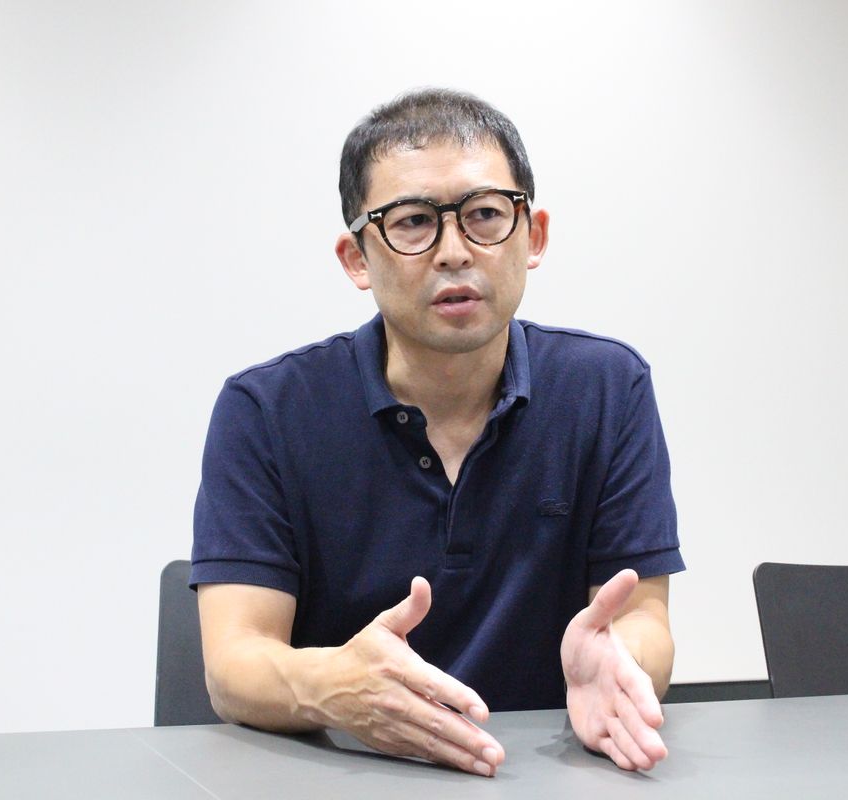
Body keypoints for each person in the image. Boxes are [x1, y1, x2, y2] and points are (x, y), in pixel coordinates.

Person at [191, 88, 683, 778]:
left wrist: (622, 663)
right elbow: (233, 662)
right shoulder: (266, 410)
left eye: (485, 215)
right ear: (356, 258)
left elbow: (645, 620)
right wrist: (337, 686)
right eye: (414, 222)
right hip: (342, 775)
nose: (455, 252)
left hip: (549, 772)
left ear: (534, 236)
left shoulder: (608, 387)